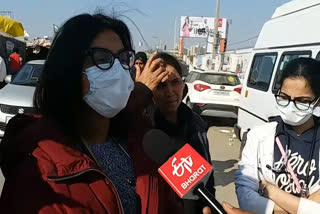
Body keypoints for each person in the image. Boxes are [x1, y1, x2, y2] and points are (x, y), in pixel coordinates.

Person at [0, 13, 141, 214]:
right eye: (102, 58)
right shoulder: (36, 169)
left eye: (124, 58)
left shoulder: (140, 142)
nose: (118, 70)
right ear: (69, 69)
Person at [128, 52, 214, 214]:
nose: (170, 92)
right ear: (151, 89)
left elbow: (208, 181)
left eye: (175, 82)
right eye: (161, 85)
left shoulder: (196, 125)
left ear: (184, 84)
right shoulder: (142, 131)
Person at [235, 58, 320, 214]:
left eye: (302, 101)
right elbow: (245, 197)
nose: (291, 106)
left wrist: (272, 192)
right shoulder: (259, 136)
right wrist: (303, 208)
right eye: (284, 97)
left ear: (317, 101)